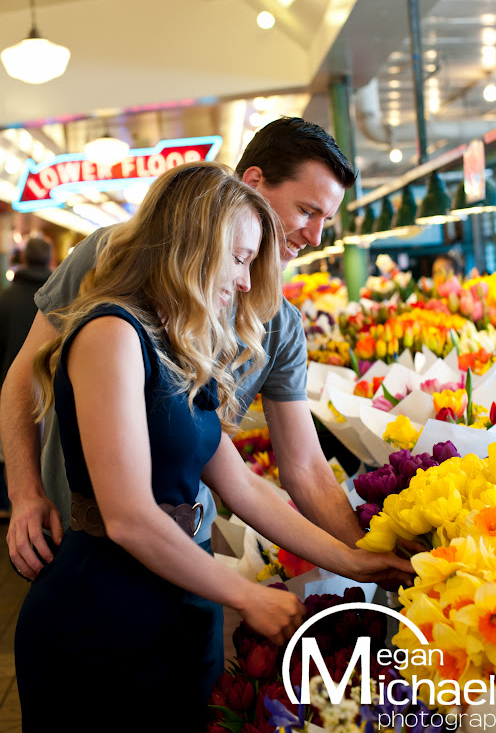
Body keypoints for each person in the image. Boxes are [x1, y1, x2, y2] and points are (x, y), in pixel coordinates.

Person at [14, 162, 413, 732]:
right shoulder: (112, 334)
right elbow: (128, 517)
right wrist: (246, 596)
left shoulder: (178, 343)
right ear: (192, 244)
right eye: (240, 258)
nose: (247, 282)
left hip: (178, 595)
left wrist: (355, 560)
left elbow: (242, 484)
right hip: (102, 610)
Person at [1, 117, 367, 580]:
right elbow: (25, 378)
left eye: (326, 220)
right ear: (254, 182)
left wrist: (373, 558)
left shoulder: (282, 326)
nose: (316, 236)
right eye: (307, 211)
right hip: (76, 538)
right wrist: (25, 493)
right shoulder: (113, 260)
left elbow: (301, 468)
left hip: (186, 547)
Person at [0, 237, 53, 521]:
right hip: (50, 391)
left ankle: (7, 505)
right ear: (49, 260)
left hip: (9, 387)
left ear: (23, 259)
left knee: (8, 450)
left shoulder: (6, 297)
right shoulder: (62, 298)